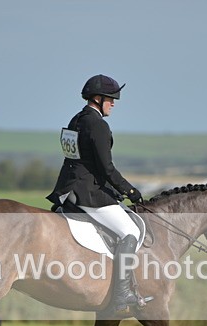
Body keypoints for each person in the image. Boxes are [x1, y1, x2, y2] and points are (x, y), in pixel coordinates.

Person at [47, 74, 147, 313]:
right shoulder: (98, 125)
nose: (113, 103)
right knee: (131, 231)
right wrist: (130, 191)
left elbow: (78, 161)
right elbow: (106, 168)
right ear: (97, 99)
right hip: (88, 193)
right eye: (110, 99)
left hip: (68, 190)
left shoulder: (76, 120)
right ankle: (122, 294)